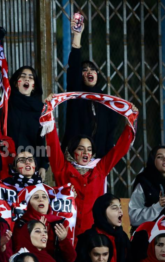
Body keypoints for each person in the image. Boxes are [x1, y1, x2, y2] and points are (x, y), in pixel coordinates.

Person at [45, 96, 138, 238]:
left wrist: (131, 122)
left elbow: (120, 149)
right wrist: (48, 111)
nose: (85, 153)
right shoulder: (62, 169)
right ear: (72, 151)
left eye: (89, 150)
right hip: (66, 233)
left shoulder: (100, 168)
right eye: (81, 149)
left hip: (93, 236)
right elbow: (53, 143)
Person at [61, 17, 120, 158]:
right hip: (74, 159)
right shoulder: (76, 94)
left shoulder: (106, 101)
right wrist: (77, 35)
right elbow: (74, 67)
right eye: (85, 70)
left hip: (98, 161)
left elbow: (111, 131)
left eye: (92, 69)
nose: (89, 72)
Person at [12, 184, 76, 262]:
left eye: (44, 197)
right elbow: (19, 253)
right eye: (36, 197)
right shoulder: (22, 223)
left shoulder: (58, 223)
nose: (41, 199)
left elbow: (71, 259)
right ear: (29, 203)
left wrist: (64, 240)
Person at [7, 66, 49, 180]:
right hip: (8, 163)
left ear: (34, 85)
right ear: (16, 83)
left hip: (30, 165)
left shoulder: (41, 109)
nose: (27, 79)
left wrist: (43, 166)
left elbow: (41, 139)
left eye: (31, 78)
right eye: (23, 76)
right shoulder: (6, 104)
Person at [75, 193, 131, 262]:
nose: (121, 212)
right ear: (102, 211)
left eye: (120, 208)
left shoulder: (122, 236)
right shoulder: (88, 237)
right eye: (115, 208)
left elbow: (129, 260)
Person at [0, 151, 42, 228]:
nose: (27, 162)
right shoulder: (2, 185)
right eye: (22, 160)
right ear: (14, 167)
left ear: (35, 165)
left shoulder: (44, 189)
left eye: (30, 159)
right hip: (9, 231)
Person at [129, 146, 165, 232]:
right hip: (149, 235)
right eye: (160, 157)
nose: (164, 159)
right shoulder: (144, 182)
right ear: (153, 160)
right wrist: (158, 206)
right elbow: (134, 218)